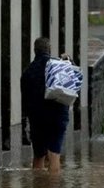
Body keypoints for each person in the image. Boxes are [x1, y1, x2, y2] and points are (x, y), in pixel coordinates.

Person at [20, 37, 70, 174]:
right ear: (49, 49)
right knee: (54, 155)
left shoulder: (27, 72)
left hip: (37, 118)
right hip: (58, 116)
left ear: (34, 51)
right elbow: (71, 83)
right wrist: (68, 60)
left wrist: (25, 121)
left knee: (38, 157)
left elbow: (24, 101)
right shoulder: (58, 65)